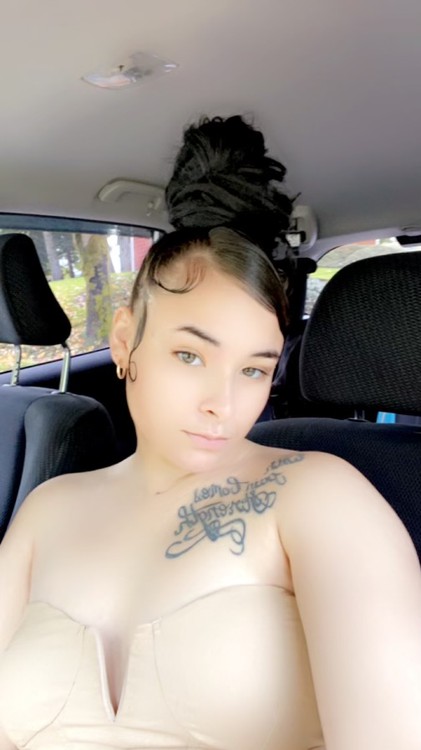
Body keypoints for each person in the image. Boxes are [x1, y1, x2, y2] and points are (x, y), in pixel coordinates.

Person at [0, 115, 421, 750]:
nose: (222, 404)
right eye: (190, 355)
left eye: (253, 370)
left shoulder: (322, 497)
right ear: (124, 341)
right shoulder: (47, 509)